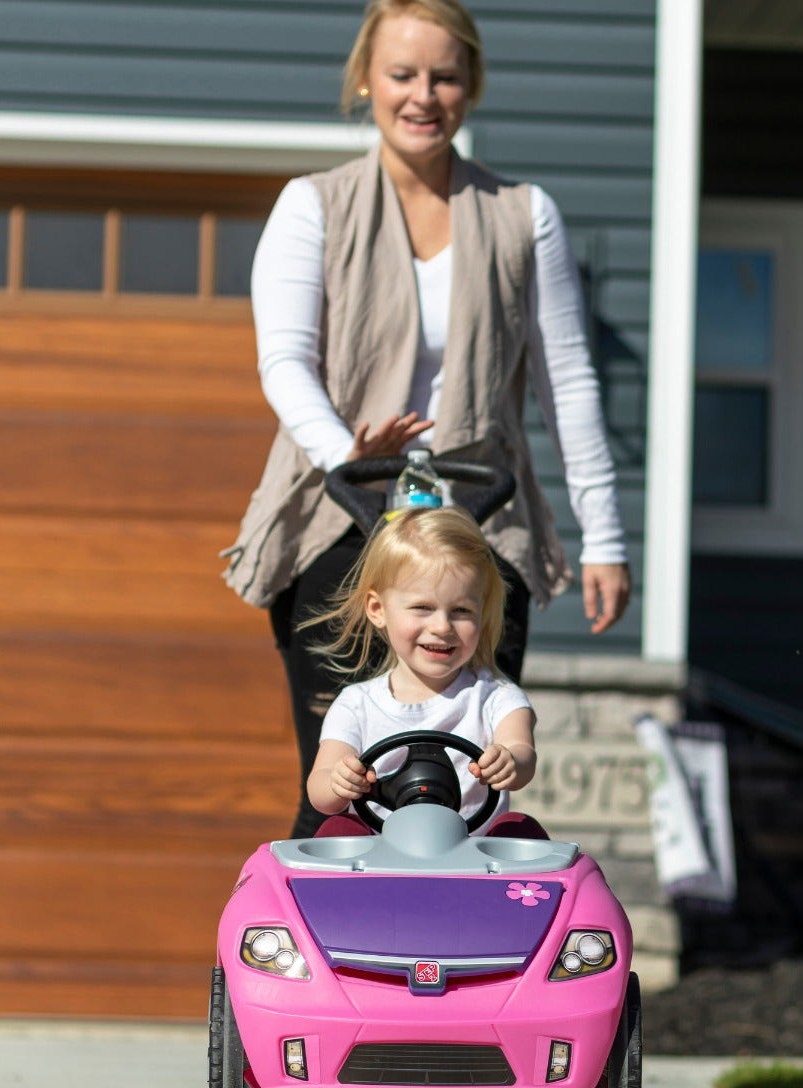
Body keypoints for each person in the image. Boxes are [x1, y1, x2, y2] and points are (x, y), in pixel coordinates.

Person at [221, 0, 631, 838]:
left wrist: (607, 535)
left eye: (444, 75)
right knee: (340, 789)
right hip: (338, 524)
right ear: (367, 81)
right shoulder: (314, 206)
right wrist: (350, 461)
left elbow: (568, 382)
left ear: (471, 85)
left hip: (478, 522)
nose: (423, 95)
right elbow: (284, 362)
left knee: (470, 792)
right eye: (402, 74)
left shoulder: (524, 216)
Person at [304, 506, 547, 839]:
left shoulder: (497, 697)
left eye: (461, 610)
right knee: (336, 828)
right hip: (378, 862)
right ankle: (330, 893)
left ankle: (535, 892)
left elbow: (522, 751)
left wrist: (510, 761)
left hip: (476, 863)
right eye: (422, 608)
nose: (442, 626)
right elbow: (320, 790)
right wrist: (339, 780)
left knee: (521, 829)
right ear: (378, 610)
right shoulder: (356, 703)